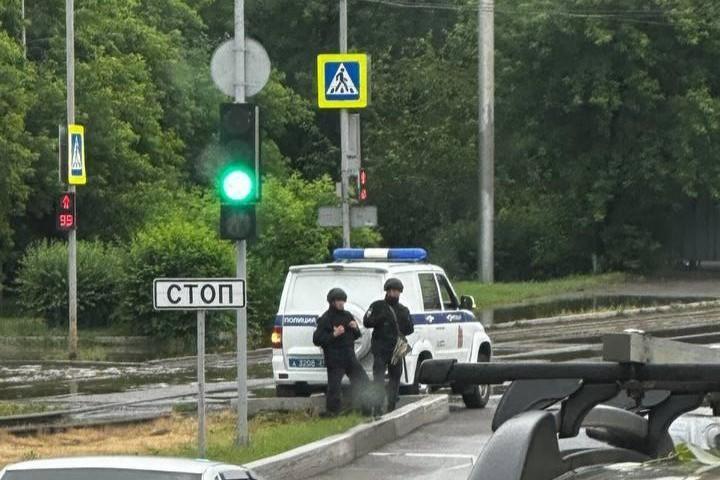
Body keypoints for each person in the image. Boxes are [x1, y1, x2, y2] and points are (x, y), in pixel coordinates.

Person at [313, 287, 368, 416]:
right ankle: (333, 412)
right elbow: (317, 339)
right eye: (338, 301)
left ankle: (364, 407)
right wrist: (334, 334)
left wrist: (355, 328)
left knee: (363, 380)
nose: (341, 303)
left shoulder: (347, 315)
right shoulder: (326, 318)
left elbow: (356, 336)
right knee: (334, 388)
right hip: (335, 359)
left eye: (343, 300)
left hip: (349, 357)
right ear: (332, 302)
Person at [363, 278, 414, 412]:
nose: (394, 293)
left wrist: (403, 325)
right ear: (387, 291)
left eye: (397, 291)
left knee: (395, 377)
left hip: (397, 347)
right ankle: (377, 407)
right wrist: (380, 319)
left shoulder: (403, 310)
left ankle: (391, 406)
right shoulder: (377, 306)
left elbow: (410, 329)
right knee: (378, 378)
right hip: (380, 347)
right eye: (392, 291)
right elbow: (366, 321)